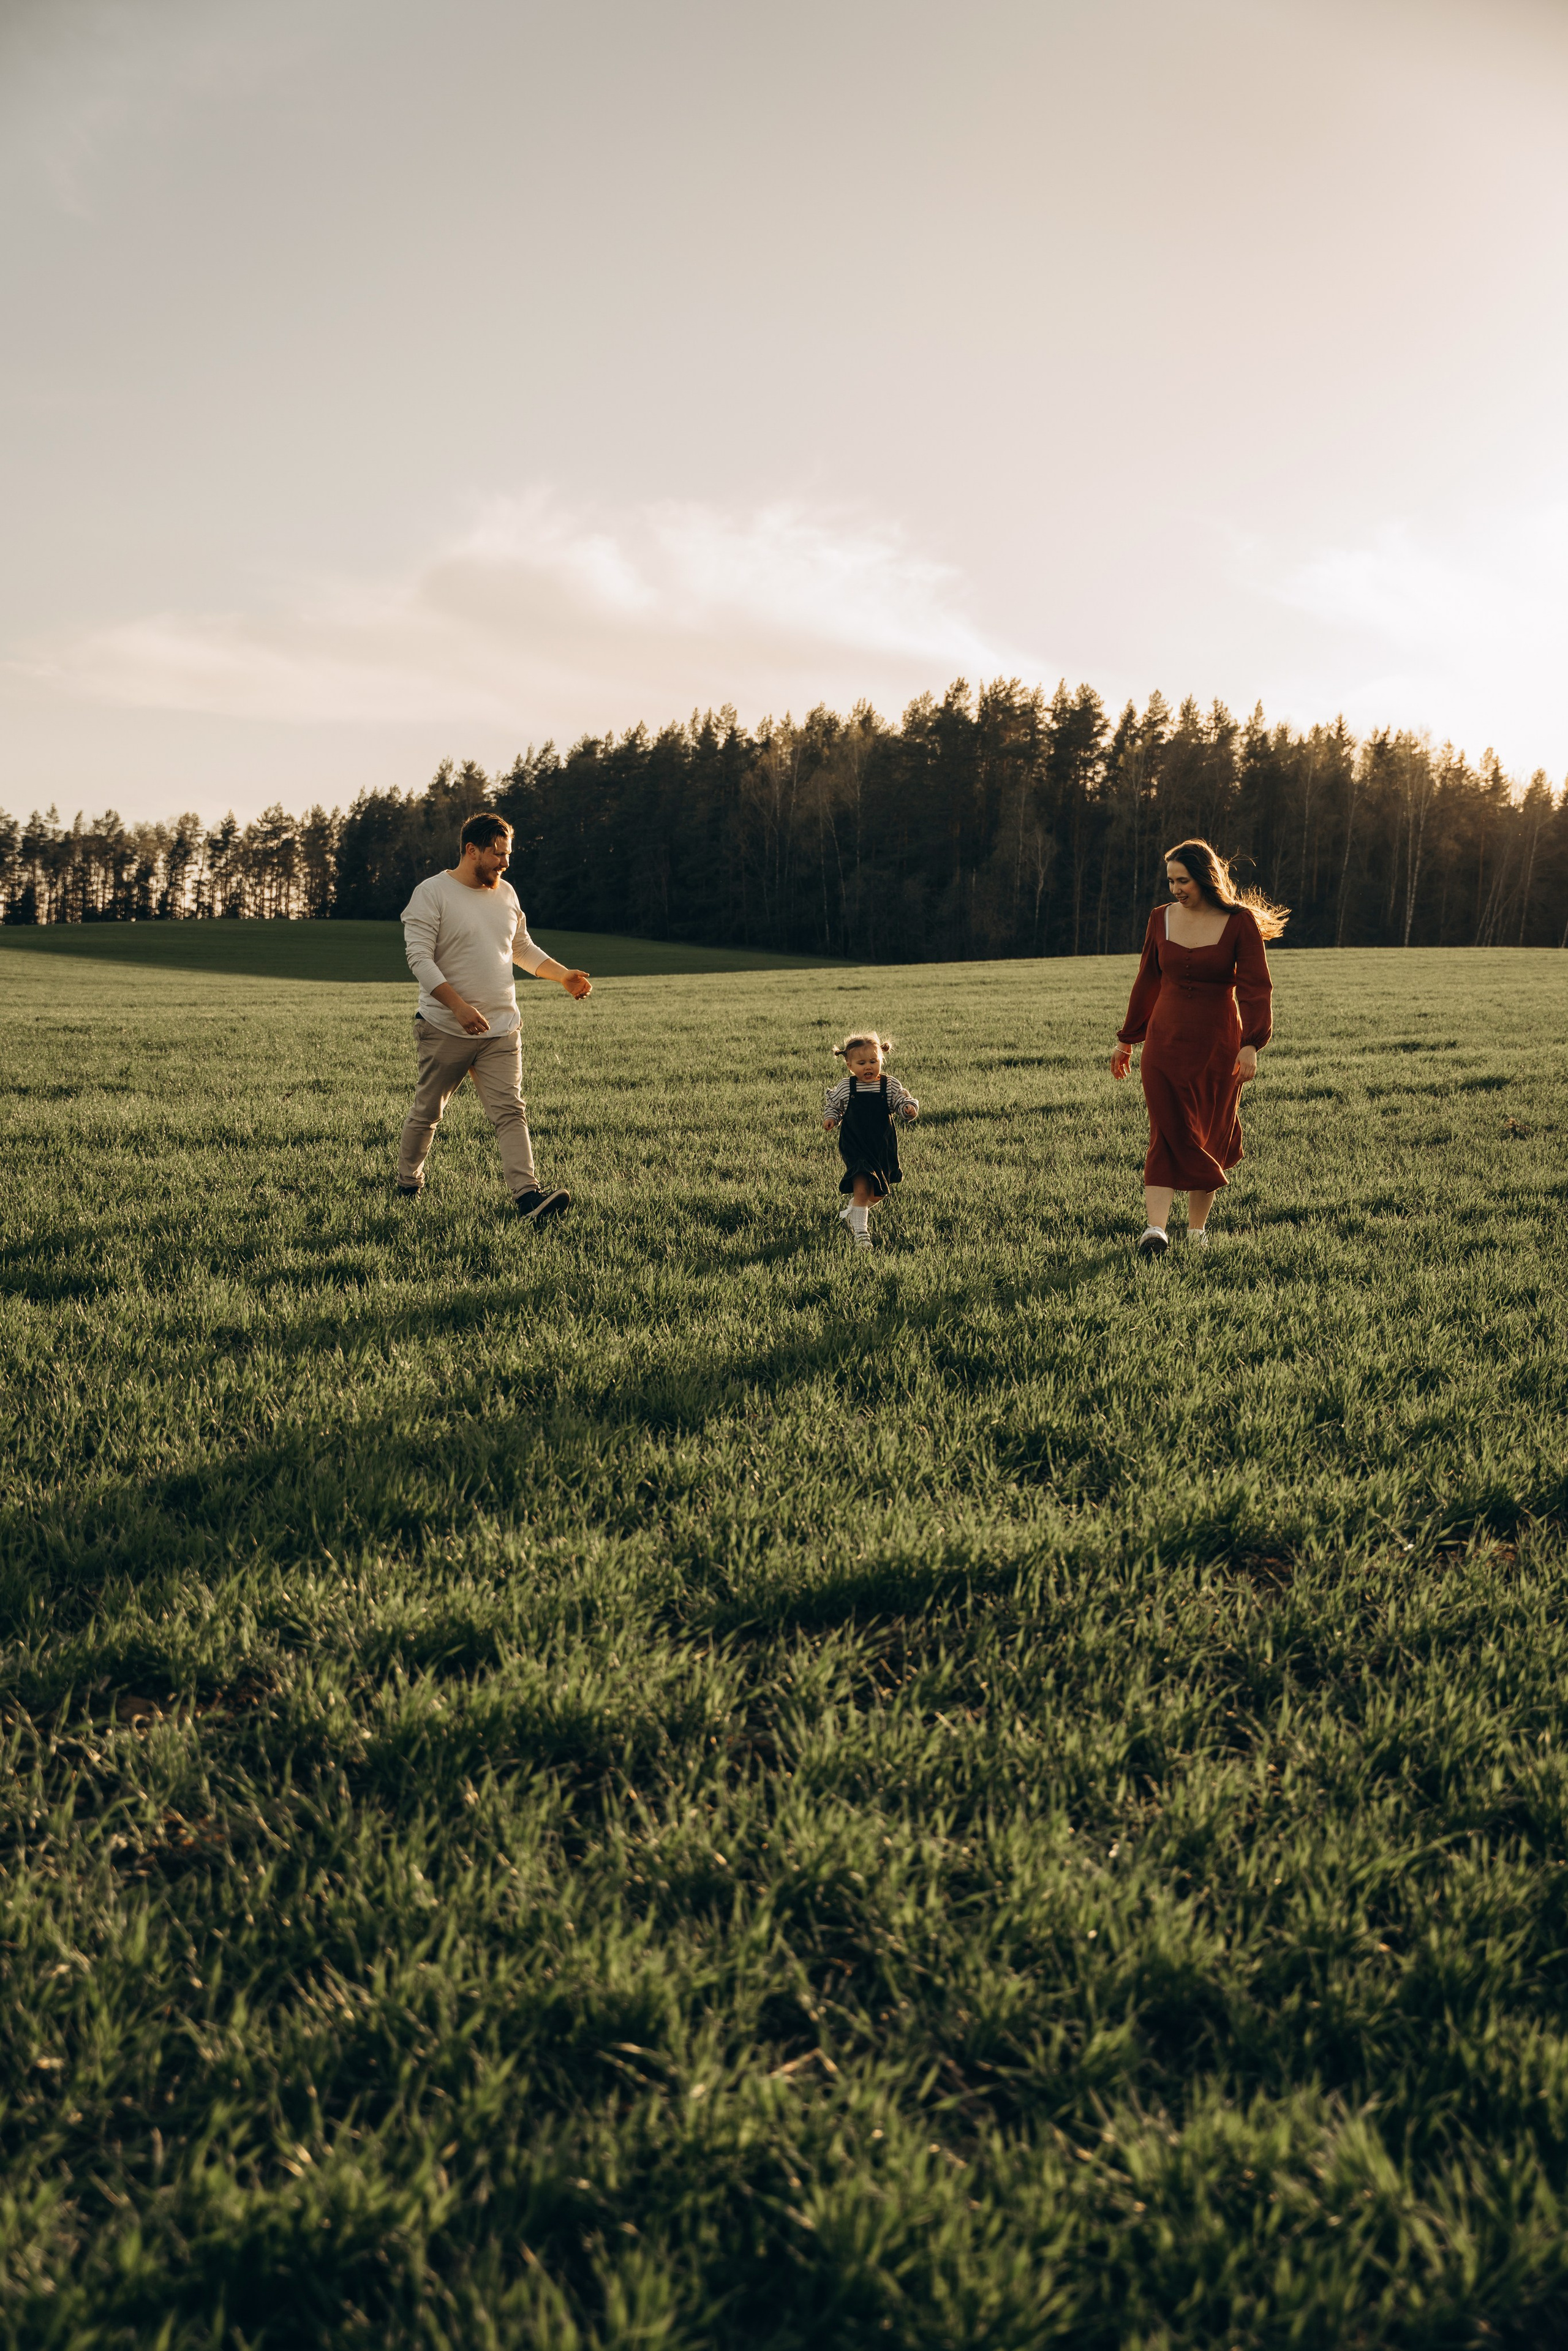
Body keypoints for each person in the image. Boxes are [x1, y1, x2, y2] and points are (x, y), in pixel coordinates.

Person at [398, 812, 591, 1222]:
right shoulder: (431, 894)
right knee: (428, 1112)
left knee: (511, 1112)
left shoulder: (506, 894)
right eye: (498, 854)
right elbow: (419, 958)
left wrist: (562, 976)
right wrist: (458, 1007)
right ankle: (408, 1183)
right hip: (444, 1027)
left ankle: (528, 1199)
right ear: (472, 851)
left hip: (502, 1028)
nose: (505, 863)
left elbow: (521, 948)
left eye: (508, 854)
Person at [1110, 839, 1286, 1258]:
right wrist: (1126, 1039)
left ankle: (1196, 1231)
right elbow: (1147, 982)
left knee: (1209, 1133)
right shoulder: (1160, 919)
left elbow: (1256, 988)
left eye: (1183, 880)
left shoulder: (1239, 923)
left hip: (1219, 1045)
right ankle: (1155, 1230)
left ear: (1205, 878)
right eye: (1171, 881)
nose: (1175, 889)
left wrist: (1251, 1044)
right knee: (1166, 1132)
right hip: (1164, 1042)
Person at [822, 1030, 919, 1249]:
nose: (868, 1067)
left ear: (881, 1060)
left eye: (874, 1061)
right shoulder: (847, 1087)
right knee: (862, 1187)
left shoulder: (890, 1085)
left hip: (882, 1145)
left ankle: (853, 1211)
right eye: (862, 1062)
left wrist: (908, 1110)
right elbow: (835, 1106)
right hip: (855, 1144)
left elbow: (902, 1102)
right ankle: (861, 1234)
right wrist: (831, 1118)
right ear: (850, 1065)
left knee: (879, 1192)